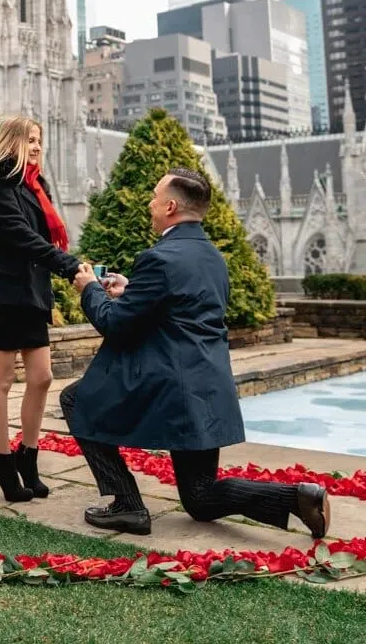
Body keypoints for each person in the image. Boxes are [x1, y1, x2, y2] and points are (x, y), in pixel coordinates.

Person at [61, 167, 331, 538]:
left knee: (75, 399)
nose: (151, 205)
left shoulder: (159, 257)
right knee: (200, 498)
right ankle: (298, 497)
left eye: (155, 198)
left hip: (169, 386)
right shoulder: (212, 257)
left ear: (171, 206)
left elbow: (115, 325)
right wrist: (133, 289)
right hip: (208, 385)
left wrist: (90, 288)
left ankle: (127, 505)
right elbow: (181, 306)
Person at [0, 116, 81, 502]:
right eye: (29, 140)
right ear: (12, 142)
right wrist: (68, 266)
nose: (36, 146)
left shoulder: (37, 185)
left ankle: (28, 456)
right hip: (2, 289)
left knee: (42, 376)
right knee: (1, 379)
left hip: (32, 290)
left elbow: (40, 238)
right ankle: (2, 461)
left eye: (39, 140)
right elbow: (19, 236)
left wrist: (68, 265)